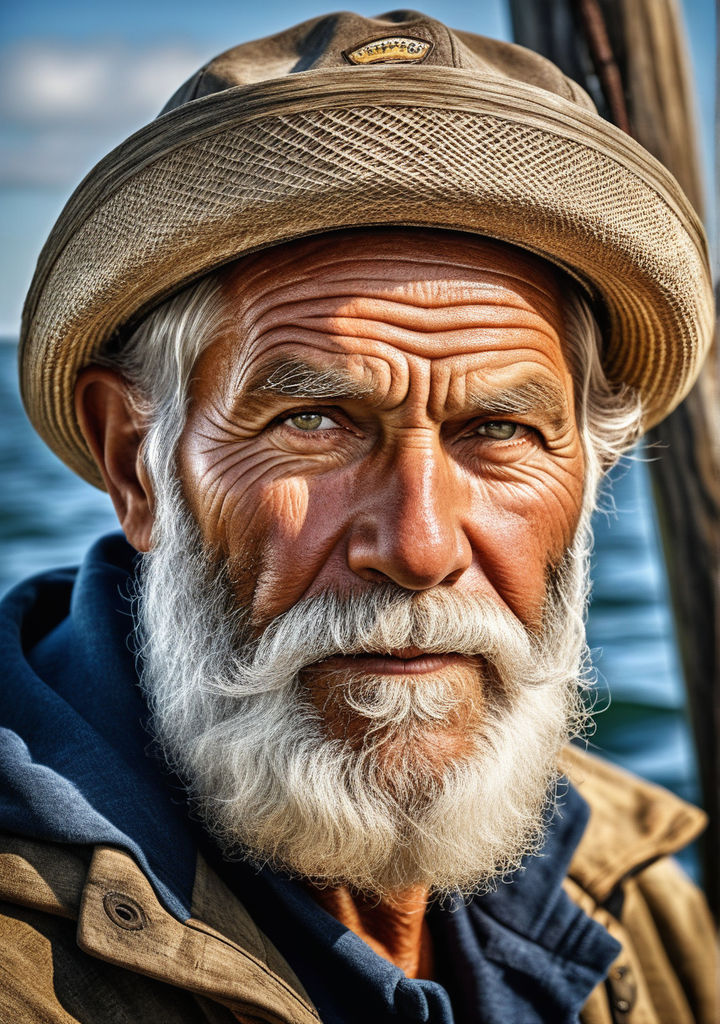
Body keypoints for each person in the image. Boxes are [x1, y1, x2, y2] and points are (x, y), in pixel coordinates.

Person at [0, 11, 716, 1024]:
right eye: (315, 421)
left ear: (589, 472)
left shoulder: (622, 884)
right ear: (137, 464)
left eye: (500, 429)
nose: (420, 545)